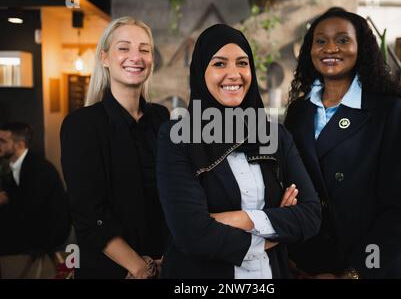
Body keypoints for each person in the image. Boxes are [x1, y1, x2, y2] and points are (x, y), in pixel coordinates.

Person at [156, 24, 321, 279]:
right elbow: (191, 234)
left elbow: (310, 215)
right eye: (219, 64)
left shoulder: (275, 135)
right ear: (201, 71)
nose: (234, 74)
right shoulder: (177, 137)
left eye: (242, 63)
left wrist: (241, 219)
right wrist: (274, 228)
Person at [284, 7, 401, 279]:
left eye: (343, 40)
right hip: (308, 265)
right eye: (320, 40)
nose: (330, 47)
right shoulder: (299, 112)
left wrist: (355, 272)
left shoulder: (388, 111)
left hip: (366, 268)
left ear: (362, 48)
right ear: (309, 50)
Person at [60, 17, 169, 279]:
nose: (136, 56)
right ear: (104, 58)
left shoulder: (162, 119)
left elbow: (175, 195)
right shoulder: (81, 125)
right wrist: (138, 266)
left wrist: (169, 258)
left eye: (144, 49)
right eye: (124, 48)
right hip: (110, 268)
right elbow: (88, 213)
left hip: (164, 263)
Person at [0, 122, 70, 255]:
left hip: (48, 231)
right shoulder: (13, 164)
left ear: (19, 145)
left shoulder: (39, 169)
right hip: (30, 223)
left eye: (2, 141)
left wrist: (6, 199)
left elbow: (30, 211)